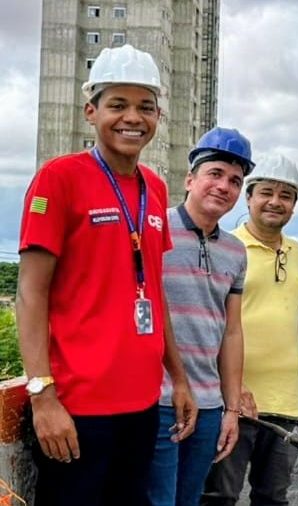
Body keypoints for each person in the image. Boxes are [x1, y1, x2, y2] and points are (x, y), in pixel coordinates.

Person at [17, 44, 196, 505]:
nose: (132, 118)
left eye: (145, 107)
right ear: (90, 111)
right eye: (118, 104)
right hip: (76, 408)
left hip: (140, 405)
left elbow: (152, 290)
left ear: (157, 117)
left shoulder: (155, 189)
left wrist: (177, 377)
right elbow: (31, 294)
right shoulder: (59, 179)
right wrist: (42, 397)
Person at [147, 127, 253, 506]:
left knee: (189, 500)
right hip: (156, 398)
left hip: (209, 404)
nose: (224, 186)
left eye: (235, 181)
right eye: (215, 174)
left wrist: (231, 410)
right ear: (190, 179)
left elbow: (232, 333)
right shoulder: (153, 229)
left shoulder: (236, 251)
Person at [201, 154, 298, 505]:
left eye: (286, 195)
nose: (275, 202)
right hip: (235, 400)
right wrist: (234, 387)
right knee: (220, 495)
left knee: (273, 497)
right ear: (248, 197)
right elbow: (211, 323)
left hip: (287, 401)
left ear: (294, 205)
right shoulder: (225, 248)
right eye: (266, 192)